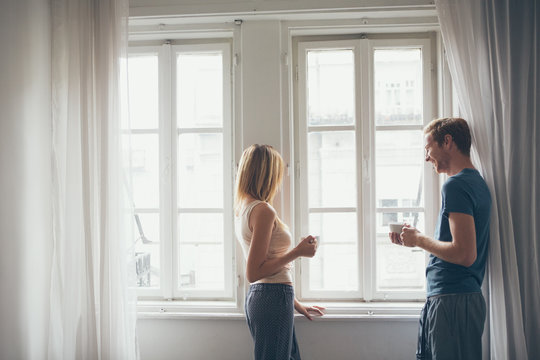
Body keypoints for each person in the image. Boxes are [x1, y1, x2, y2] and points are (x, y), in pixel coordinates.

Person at [389, 118, 491, 360]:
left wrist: (419, 240)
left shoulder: (456, 185)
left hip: (452, 302)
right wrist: (412, 239)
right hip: (451, 300)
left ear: (447, 142)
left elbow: (465, 254)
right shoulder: (475, 183)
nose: (427, 157)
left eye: (428, 148)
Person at [235, 144, 325, 360]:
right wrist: (298, 251)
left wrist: (294, 302)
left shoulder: (244, 208)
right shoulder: (263, 210)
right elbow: (254, 272)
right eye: (277, 173)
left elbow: (266, 267)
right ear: (266, 174)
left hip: (270, 297)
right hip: (272, 298)